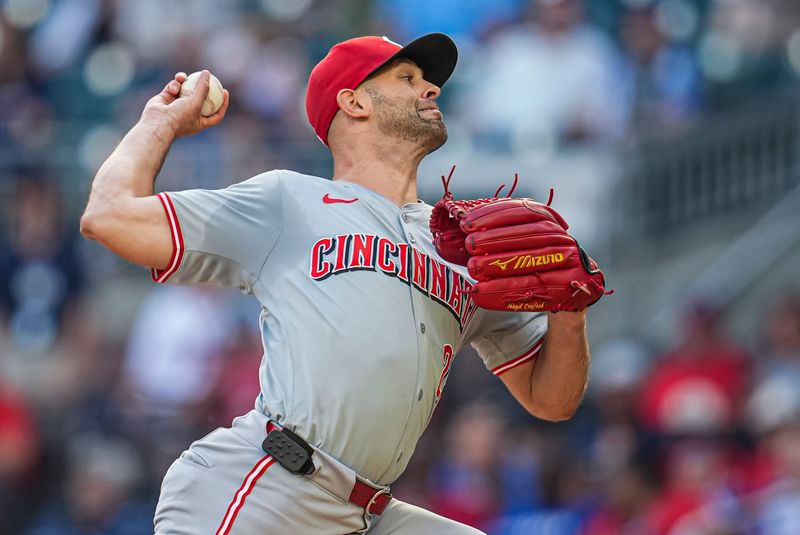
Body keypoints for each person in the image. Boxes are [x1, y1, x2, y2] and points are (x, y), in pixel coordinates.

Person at [80, 33, 592, 534]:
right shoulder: (289, 201)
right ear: (353, 102)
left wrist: (568, 314)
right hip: (265, 488)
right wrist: (159, 121)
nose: (431, 89)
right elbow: (109, 216)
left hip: (364, 513)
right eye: (408, 78)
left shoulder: (461, 251)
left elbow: (551, 400)